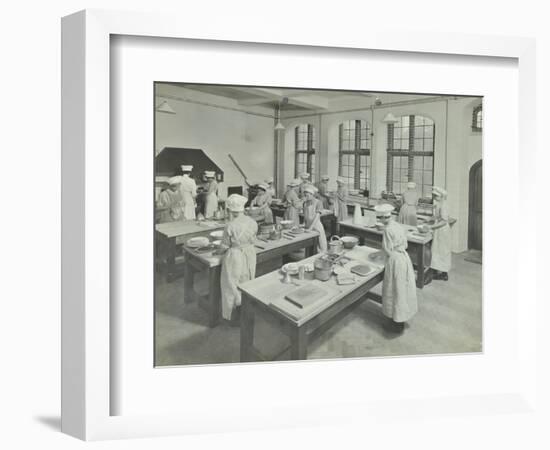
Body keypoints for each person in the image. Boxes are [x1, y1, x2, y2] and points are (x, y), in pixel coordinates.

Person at [375, 203, 418, 332]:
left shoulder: (387, 230)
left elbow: (387, 249)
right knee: (402, 289)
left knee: (393, 289)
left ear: (382, 218)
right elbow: (405, 244)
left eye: (379, 218)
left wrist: (380, 257)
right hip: (404, 258)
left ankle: (396, 323)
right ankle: (401, 318)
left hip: (394, 260)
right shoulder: (397, 226)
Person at [220, 194, 258, 323]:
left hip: (235, 255)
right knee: (247, 281)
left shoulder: (230, 225)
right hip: (249, 253)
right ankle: (247, 313)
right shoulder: (252, 222)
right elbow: (253, 239)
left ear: (230, 210)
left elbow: (225, 246)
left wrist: (218, 251)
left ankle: (233, 317)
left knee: (231, 284)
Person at [430, 186, 452, 281]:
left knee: (443, 251)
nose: (434, 198)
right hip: (438, 229)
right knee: (436, 250)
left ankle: (444, 273)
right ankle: (436, 269)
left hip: (442, 230)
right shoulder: (439, 203)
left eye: (436, 196)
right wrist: (430, 219)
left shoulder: (444, 205)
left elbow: (444, 221)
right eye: (434, 196)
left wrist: (431, 227)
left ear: (441, 196)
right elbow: (437, 216)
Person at [302, 185, 327, 252]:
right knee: (310, 247)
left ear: (312, 194)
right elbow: (305, 215)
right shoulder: (305, 203)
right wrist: (304, 224)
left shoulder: (318, 202)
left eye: (307, 196)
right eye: (305, 195)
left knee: (321, 245)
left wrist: (311, 228)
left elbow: (317, 217)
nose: (306, 197)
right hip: (308, 226)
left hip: (316, 226)